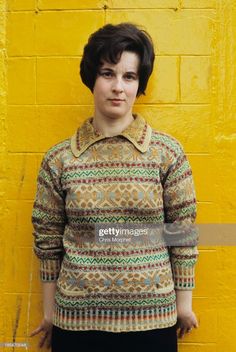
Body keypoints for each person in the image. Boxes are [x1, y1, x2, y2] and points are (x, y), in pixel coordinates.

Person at [29, 22, 199, 352]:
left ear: (139, 85)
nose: (118, 86)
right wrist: (49, 313)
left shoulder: (167, 153)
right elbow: (47, 241)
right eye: (108, 73)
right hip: (77, 324)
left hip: (153, 322)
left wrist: (183, 304)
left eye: (129, 77)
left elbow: (183, 233)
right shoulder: (59, 159)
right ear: (92, 79)